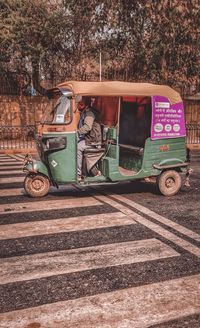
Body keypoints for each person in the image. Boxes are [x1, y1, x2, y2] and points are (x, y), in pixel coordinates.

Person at [77, 97, 102, 179]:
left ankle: (78, 174)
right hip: (88, 138)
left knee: (77, 147)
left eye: (80, 104)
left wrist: (77, 132)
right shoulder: (84, 112)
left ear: (84, 105)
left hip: (93, 140)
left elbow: (87, 127)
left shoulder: (89, 113)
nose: (77, 106)